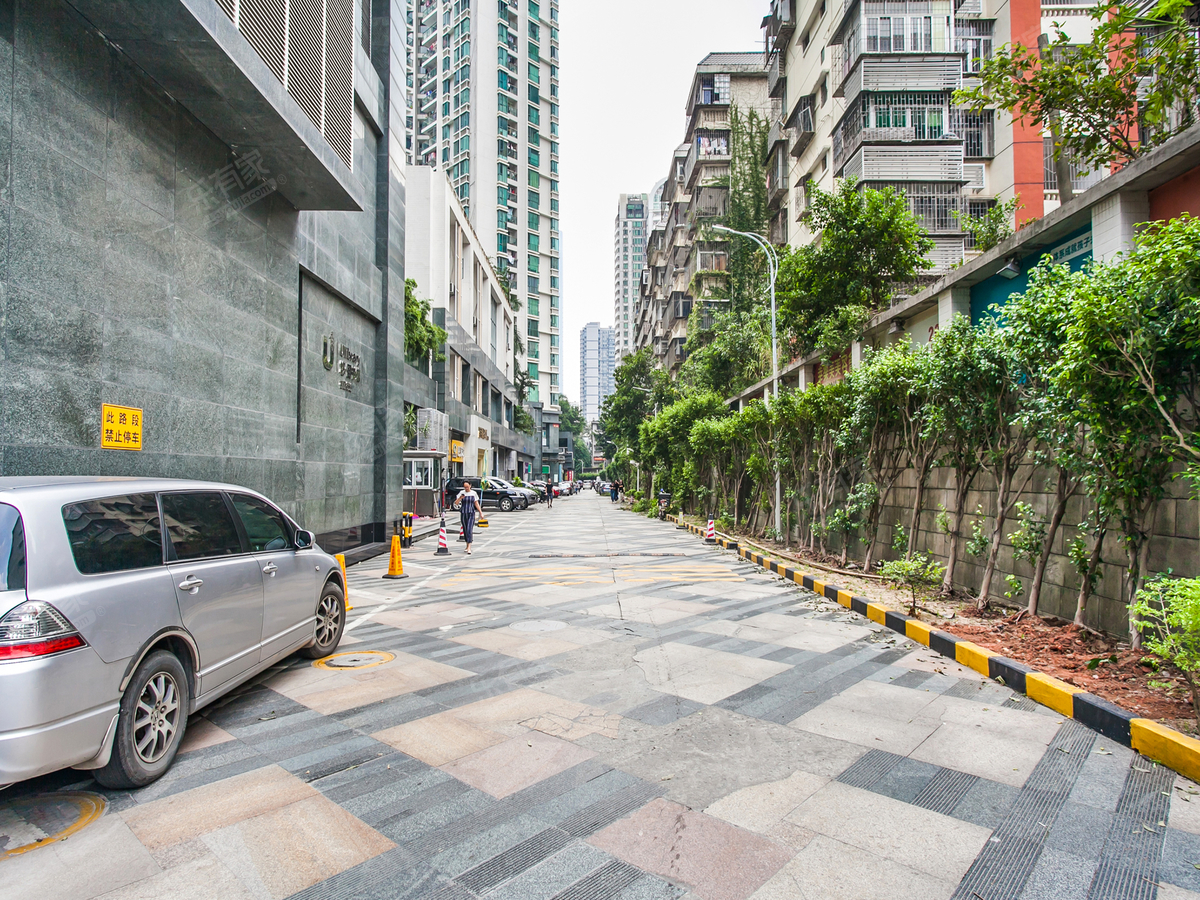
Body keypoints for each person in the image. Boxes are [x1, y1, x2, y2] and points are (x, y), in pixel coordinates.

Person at [456, 480, 483, 554]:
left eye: (467, 487)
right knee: (465, 530)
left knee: (469, 529)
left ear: (470, 486)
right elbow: (456, 503)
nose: (466, 488)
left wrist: (481, 512)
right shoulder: (461, 493)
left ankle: (469, 547)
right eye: (465, 487)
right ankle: (467, 545)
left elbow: (476, 503)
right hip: (463, 513)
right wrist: (460, 498)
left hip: (471, 513)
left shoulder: (473, 493)